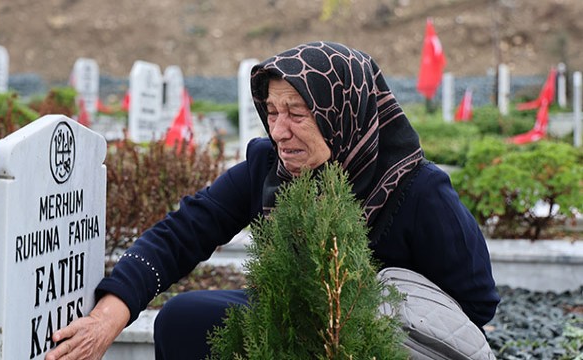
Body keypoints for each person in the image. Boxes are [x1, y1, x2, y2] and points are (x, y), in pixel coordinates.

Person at [45, 41, 500, 360]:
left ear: (343, 114)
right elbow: (184, 232)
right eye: (273, 113)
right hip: (292, 328)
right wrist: (108, 317)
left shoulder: (419, 189)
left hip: (380, 344)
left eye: (297, 114)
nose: (279, 131)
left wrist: (373, 318)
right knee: (185, 320)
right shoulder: (269, 167)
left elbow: (476, 305)